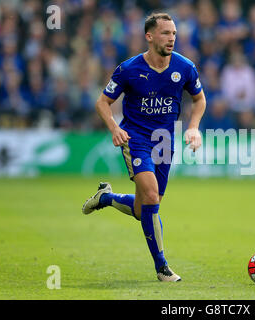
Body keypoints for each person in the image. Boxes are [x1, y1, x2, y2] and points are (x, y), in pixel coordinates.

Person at [82, 13, 206, 282]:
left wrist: (193, 127)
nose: (172, 38)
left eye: (173, 33)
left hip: (165, 140)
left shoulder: (185, 67)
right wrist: (115, 128)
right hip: (136, 138)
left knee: (144, 209)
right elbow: (102, 102)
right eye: (165, 33)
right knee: (150, 197)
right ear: (149, 37)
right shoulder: (129, 69)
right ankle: (162, 268)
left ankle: (106, 198)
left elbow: (199, 100)